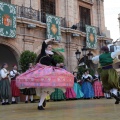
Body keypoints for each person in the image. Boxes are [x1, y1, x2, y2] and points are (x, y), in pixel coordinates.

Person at [16, 38, 74, 110]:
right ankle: (42, 100)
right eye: (49, 47)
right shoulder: (43, 52)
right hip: (40, 71)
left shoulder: (51, 56)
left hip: (48, 73)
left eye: (51, 47)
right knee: (41, 89)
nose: (50, 48)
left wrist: (60, 64)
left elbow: (55, 64)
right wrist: (51, 39)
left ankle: (40, 104)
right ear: (46, 47)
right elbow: (43, 42)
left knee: (46, 89)